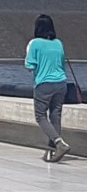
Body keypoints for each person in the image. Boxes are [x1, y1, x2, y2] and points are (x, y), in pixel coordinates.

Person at [25, 14, 71, 162]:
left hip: (44, 84)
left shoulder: (35, 43)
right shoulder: (58, 43)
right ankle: (52, 151)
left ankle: (58, 143)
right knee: (55, 115)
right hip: (61, 83)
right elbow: (62, 63)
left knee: (40, 116)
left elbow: (30, 65)